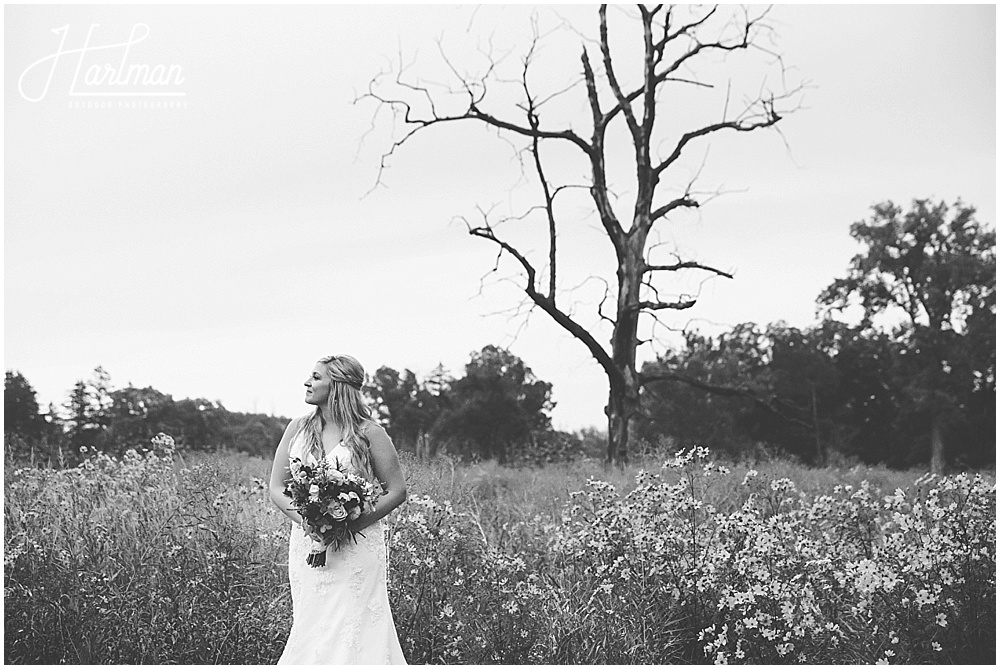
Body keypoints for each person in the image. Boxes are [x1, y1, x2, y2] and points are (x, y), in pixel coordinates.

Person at [269, 354, 408, 664]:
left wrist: (347, 527)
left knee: (355, 626)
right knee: (313, 622)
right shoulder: (297, 428)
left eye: (317, 377)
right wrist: (310, 524)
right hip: (307, 543)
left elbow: (397, 490)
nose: (307, 382)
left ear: (339, 386)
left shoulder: (369, 433)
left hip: (356, 545)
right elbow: (277, 487)